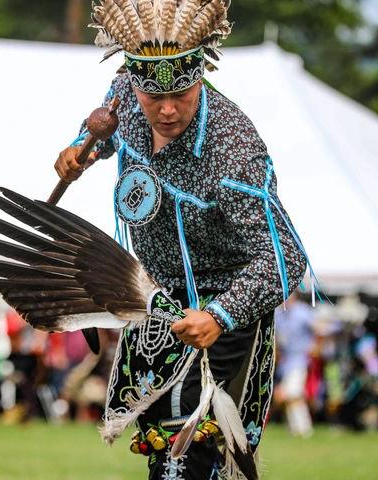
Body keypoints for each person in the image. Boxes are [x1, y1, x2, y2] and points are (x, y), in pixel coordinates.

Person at [52, 2, 314, 479]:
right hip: (157, 296)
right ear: (134, 83)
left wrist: (220, 316)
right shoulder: (125, 97)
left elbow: (284, 257)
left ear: (200, 77)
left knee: (189, 441)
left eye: (181, 94)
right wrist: (77, 149)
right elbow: (103, 127)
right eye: (154, 96)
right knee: (162, 441)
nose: (167, 109)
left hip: (227, 301)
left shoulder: (232, 148)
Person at [274, 290, 316, 437]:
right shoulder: (278, 314)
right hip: (285, 361)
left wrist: (314, 347)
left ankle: (304, 429)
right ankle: (297, 428)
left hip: (300, 359)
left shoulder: (303, 312)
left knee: (291, 393)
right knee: (290, 396)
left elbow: (318, 329)